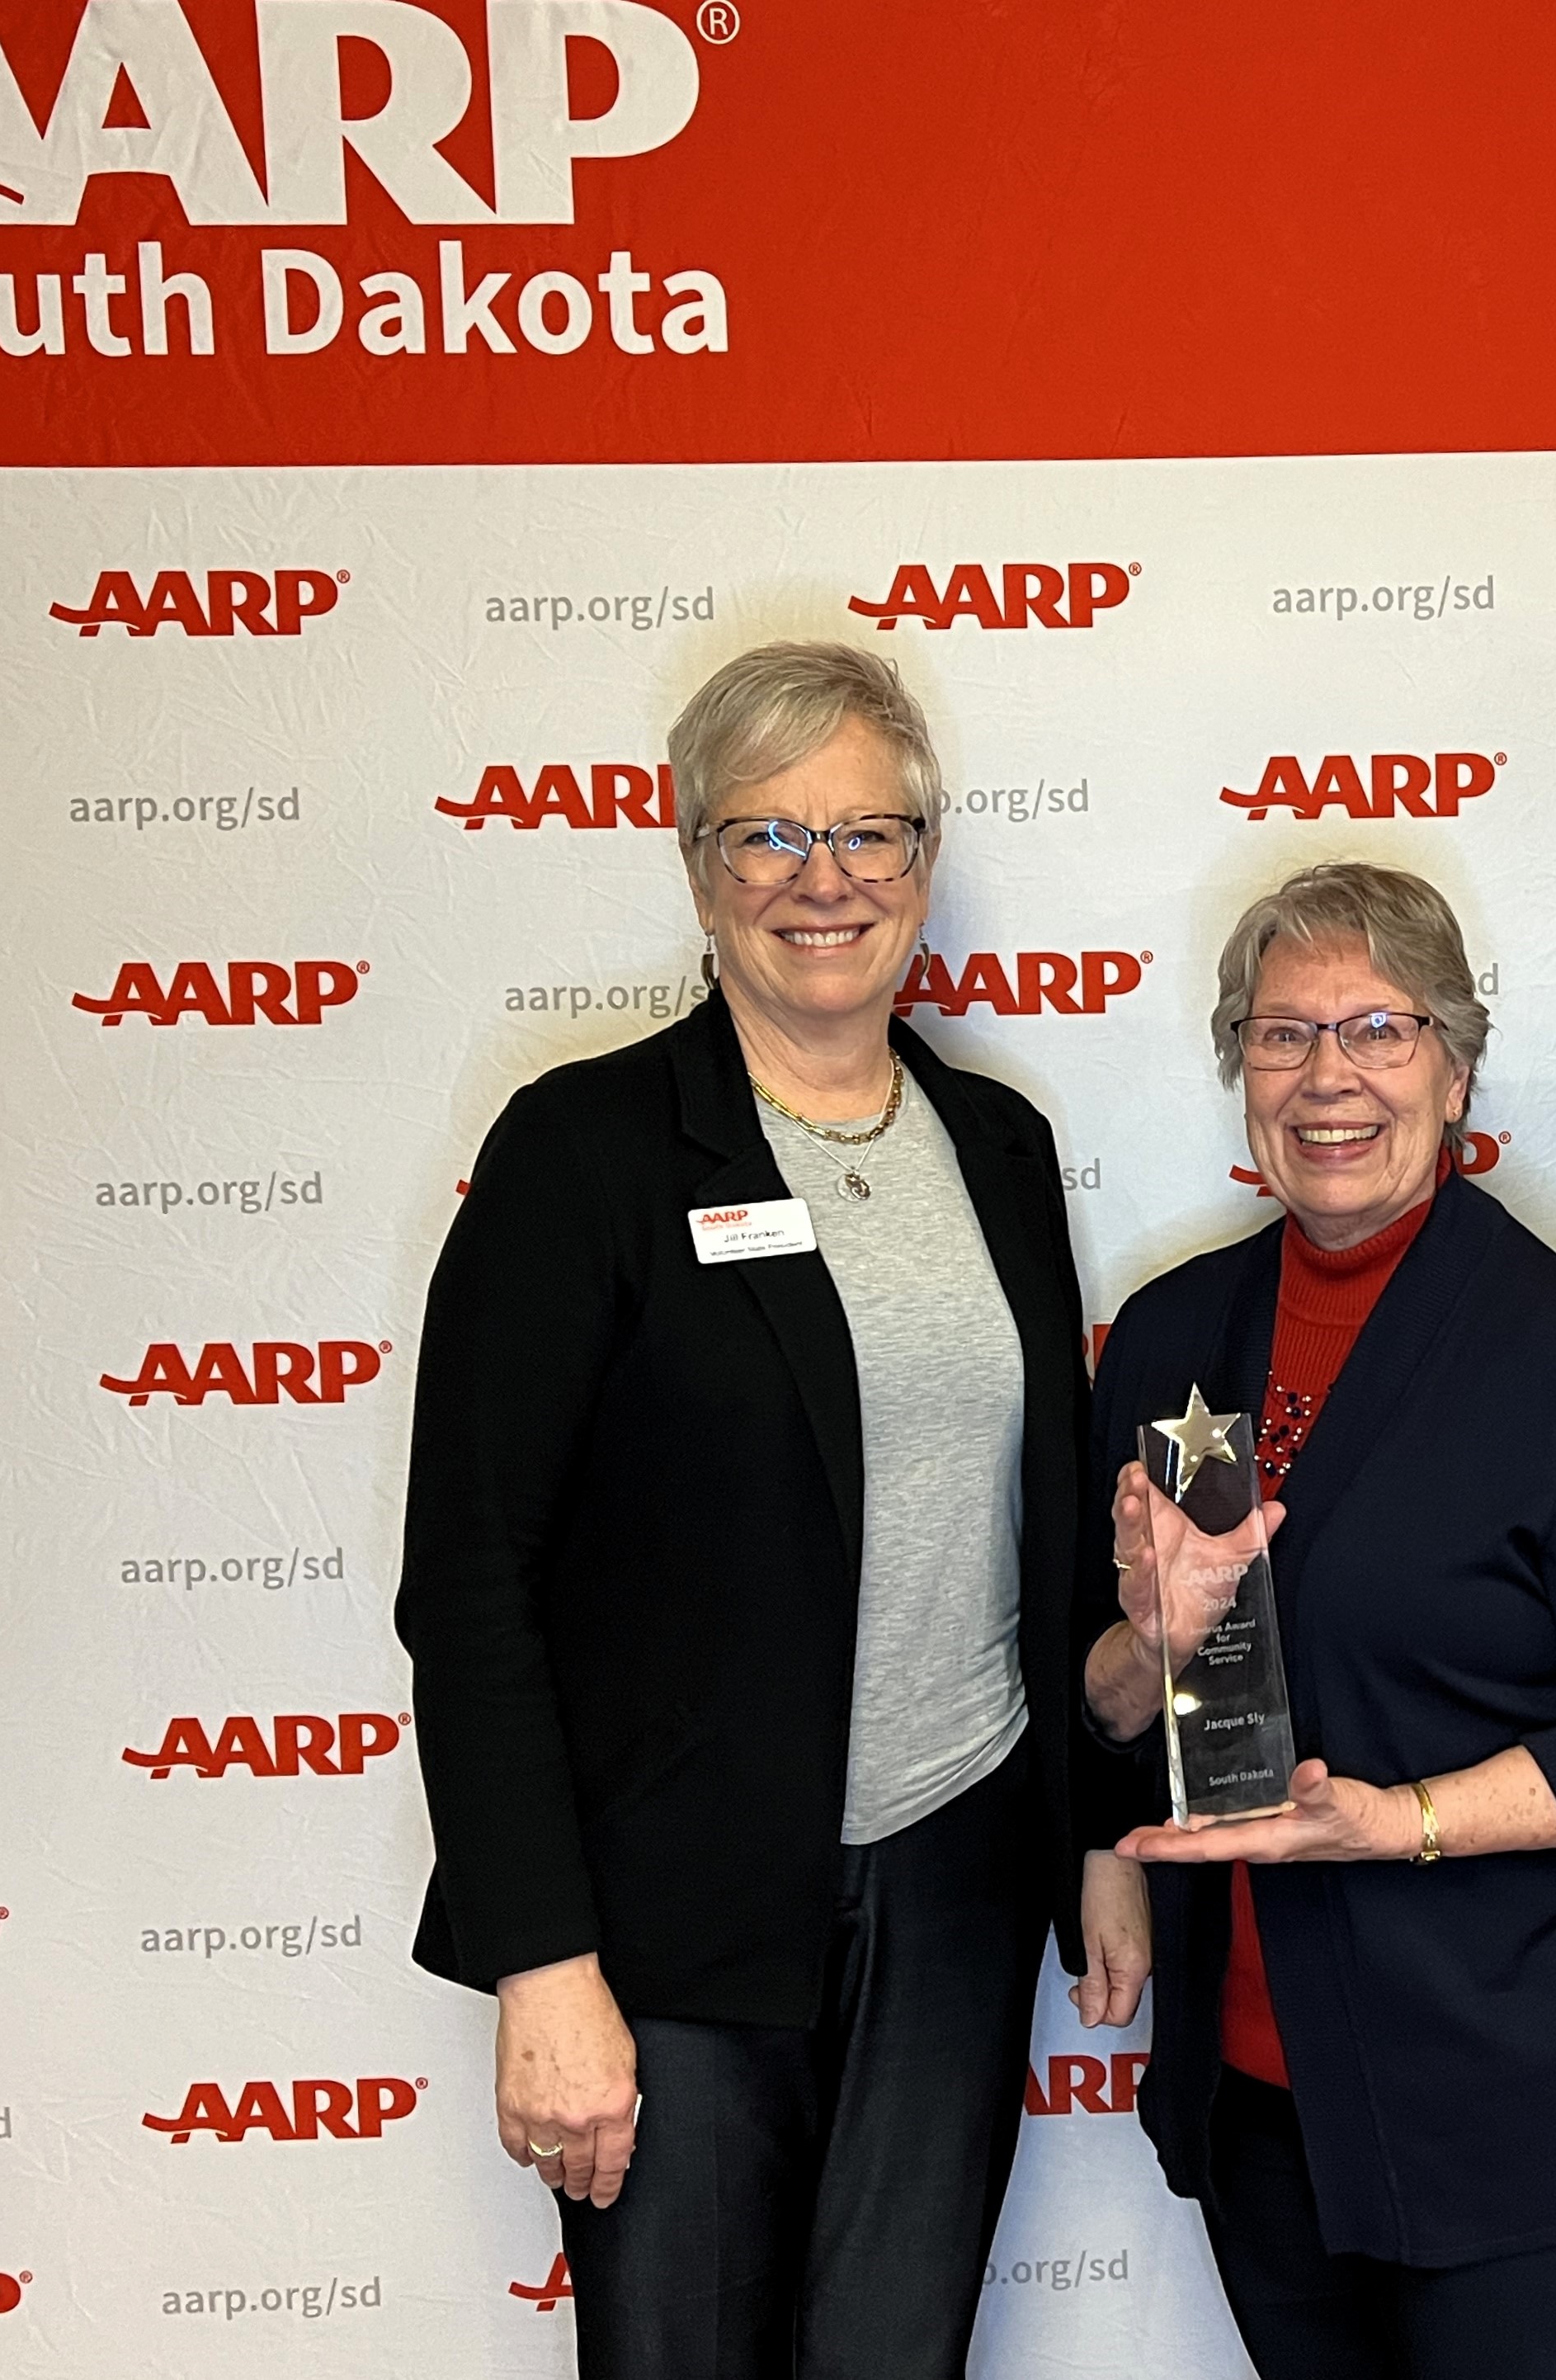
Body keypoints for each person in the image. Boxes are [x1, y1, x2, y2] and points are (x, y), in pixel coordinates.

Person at [393, 640, 1092, 2379]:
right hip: (670, 1915)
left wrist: (1094, 1838)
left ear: (925, 860)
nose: (823, 880)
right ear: (695, 862)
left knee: (893, 2355)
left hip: (951, 1881)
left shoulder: (996, 1143)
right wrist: (542, 1963)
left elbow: (1051, 1529)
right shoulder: (589, 1152)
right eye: (767, 836)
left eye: (866, 831)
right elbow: (472, 1580)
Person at [1069, 861, 1556, 2380]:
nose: (1328, 1079)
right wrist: (1144, 1650)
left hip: (1520, 2115)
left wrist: (1403, 1825)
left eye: (1379, 1029)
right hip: (1260, 2101)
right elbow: (1109, 1705)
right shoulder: (1173, 1336)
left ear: (1456, 1065)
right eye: (1282, 1033)